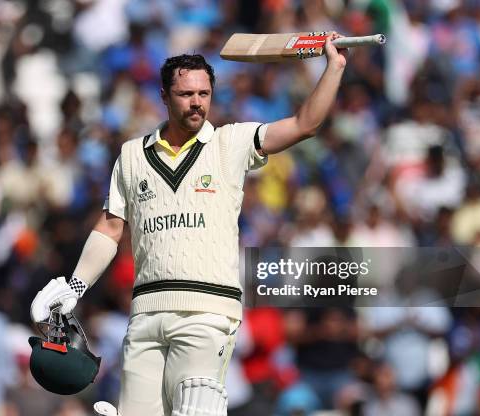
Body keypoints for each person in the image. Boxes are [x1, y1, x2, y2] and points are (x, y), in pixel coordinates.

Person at [30, 33, 348, 416]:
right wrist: (75, 285)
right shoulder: (132, 156)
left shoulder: (230, 143)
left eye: (204, 93)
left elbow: (304, 124)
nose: (197, 102)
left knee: (196, 410)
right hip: (146, 313)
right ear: (164, 96)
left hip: (207, 311)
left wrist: (335, 66)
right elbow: (111, 227)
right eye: (185, 94)